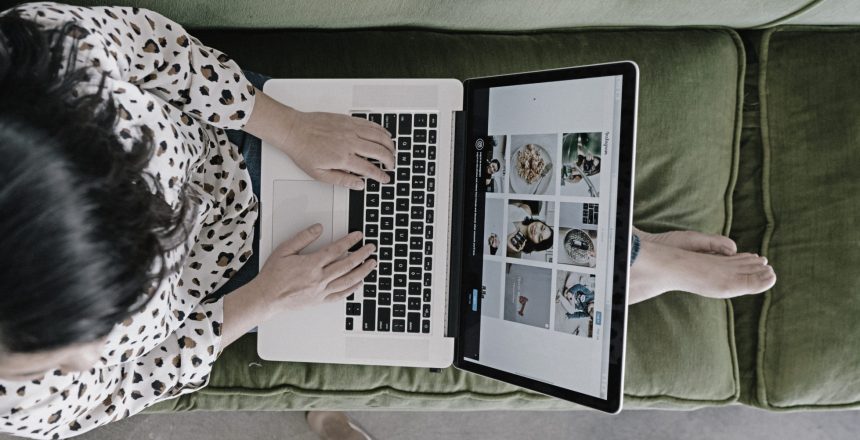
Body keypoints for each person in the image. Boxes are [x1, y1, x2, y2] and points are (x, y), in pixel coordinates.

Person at [0, 3, 777, 440]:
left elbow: (156, 50)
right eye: (48, 366)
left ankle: (629, 257)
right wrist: (255, 305)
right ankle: (631, 263)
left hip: (248, 138)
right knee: (475, 292)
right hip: (237, 288)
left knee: (475, 172)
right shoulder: (19, 405)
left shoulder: (46, 56)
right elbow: (120, 390)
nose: (81, 365)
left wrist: (286, 123)